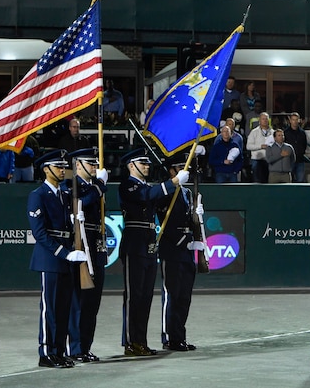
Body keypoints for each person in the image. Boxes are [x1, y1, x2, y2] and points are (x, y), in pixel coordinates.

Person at [118, 148, 189, 356]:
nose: (147, 166)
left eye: (148, 163)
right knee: (134, 296)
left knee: (146, 296)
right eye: (142, 163)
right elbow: (147, 196)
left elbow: (159, 197)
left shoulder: (146, 186)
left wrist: (178, 188)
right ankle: (131, 342)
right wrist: (173, 182)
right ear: (131, 166)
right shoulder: (128, 186)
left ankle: (141, 340)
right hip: (134, 243)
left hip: (149, 242)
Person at [28, 150, 87, 369]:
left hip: (66, 257)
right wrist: (64, 252)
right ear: (46, 169)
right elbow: (40, 233)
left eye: (63, 167)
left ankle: (59, 351)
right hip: (50, 258)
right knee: (49, 308)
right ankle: (46, 352)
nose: (63, 170)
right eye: (58, 167)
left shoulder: (63, 194)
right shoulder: (38, 195)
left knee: (63, 308)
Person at [64, 148, 109, 363]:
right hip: (82, 247)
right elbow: (80, 203)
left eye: (95, 163)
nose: (94, 167)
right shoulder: (71, 185)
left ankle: (86, 346)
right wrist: (99, 186)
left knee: (92, 304)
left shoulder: (91, 187)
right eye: (90, 163)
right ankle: (75, 347)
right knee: (79, 303)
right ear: (78, 165)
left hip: (96, 248)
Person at [156, 156, 203, 351]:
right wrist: (183, 239)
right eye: (179, 168)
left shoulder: (187, 192)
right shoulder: (165, 192)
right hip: (171, 248)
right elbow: (163, 221)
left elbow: (190, 221)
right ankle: (169, 337)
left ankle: (179, 336)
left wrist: (197, 216)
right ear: (171, 171)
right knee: (172, 294)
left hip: (186, 249)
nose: (186, 171)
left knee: (184, 296)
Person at [246, 112, 274, 183]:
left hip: (269, 160)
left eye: (266, 119)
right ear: (259, 121)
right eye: (263, 119)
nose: (265, 120)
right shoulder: (254, 132)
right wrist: (260, 146)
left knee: (268, 182)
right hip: (256, 160)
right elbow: (248, 146)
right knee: (257, 181)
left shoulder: (273, 132)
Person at [284, 112, 308, 183]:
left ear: (299, 120)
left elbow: (304, 144)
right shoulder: (285, 133)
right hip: (289, 161)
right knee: (289, 181)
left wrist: (301, 152)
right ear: (290, 121)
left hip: (300, 160)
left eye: (296, 119)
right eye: (293, 120)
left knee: (300, 181)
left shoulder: (302, 133)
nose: (295, 121)